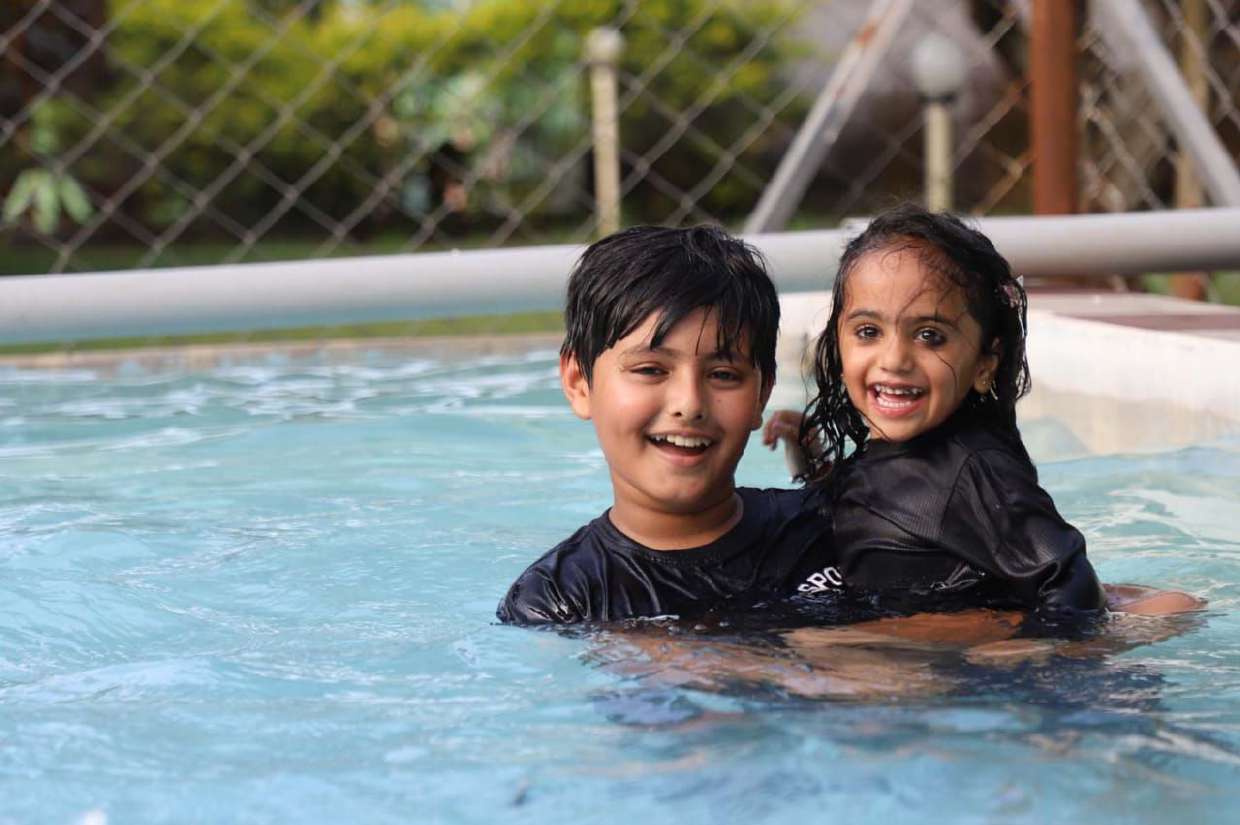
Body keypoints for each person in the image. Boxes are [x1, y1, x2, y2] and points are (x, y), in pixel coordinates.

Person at [763, 205, 1183, 613]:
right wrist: (810, 454)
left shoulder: (974, 470)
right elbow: (865, 508)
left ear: (984, 365)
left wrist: (1025, 649)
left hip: (950, 650)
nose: (894, 359)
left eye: (930, 336)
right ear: (838, 343)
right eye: (869, 331)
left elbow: (1071, 583)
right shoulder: (899, 456)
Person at [496, 225, 838, 625]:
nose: (689, 404)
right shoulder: (563, 599)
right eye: (650, 370)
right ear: (578, 382)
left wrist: (820, 474)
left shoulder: (826, 525)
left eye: (723, 375)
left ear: (762, 393)